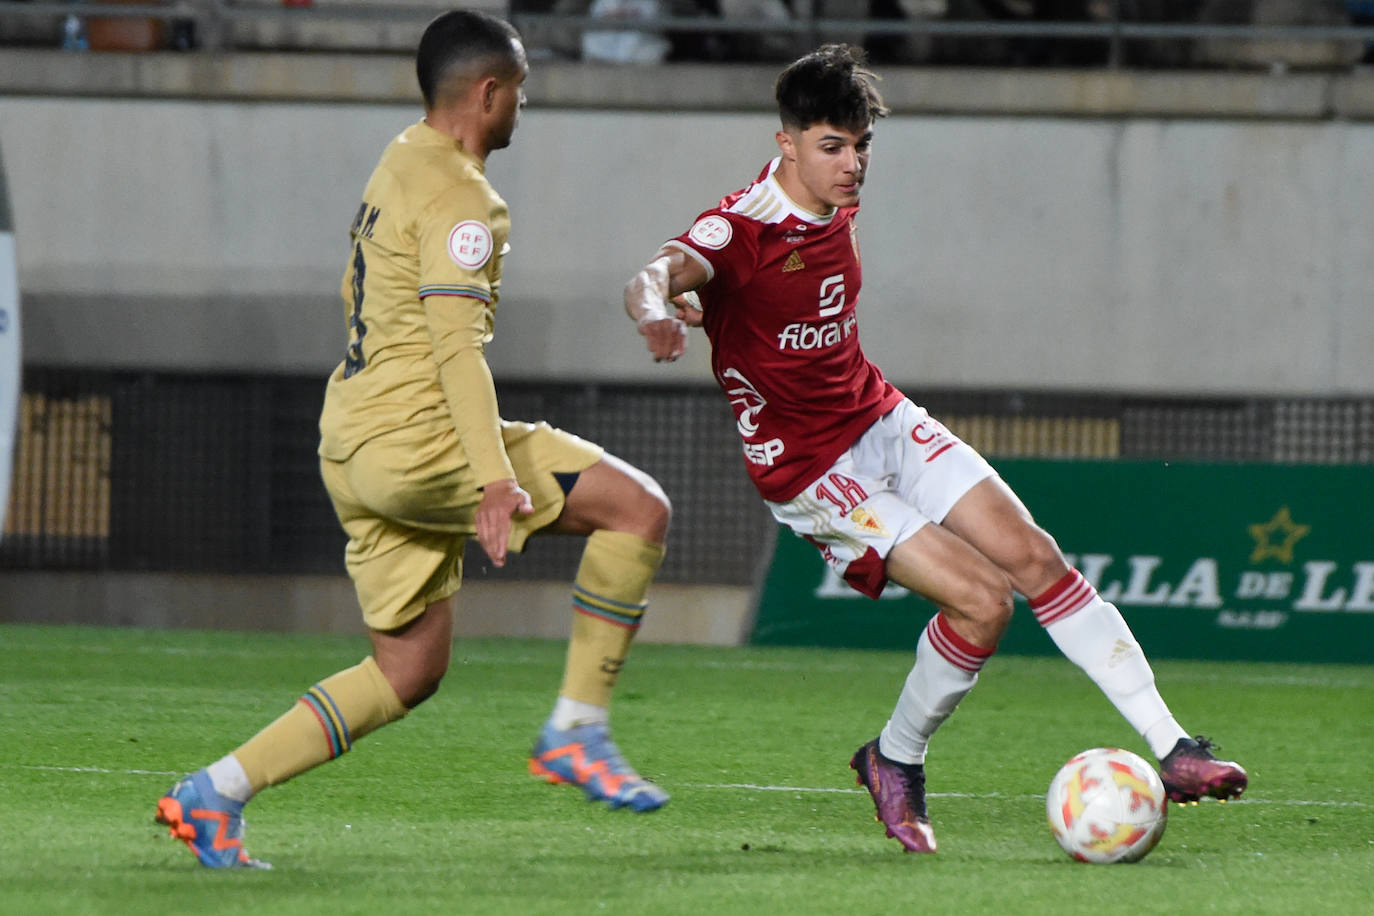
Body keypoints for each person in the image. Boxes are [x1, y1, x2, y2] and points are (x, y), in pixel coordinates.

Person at [624, 43, 1247, 854]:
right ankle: (895, 758)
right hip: (812, 471)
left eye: (861, 147)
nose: (853, 166)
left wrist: (719, 315)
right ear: (786, 142)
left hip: (878, 417)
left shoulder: (831, 203)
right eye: (832, 146)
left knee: (1037, 558)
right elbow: (656, 271)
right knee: (983, 603)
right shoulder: (739, 228)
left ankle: (1174, 751)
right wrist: (658, 310)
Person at [155, 9, 673, 870]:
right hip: (415, 442)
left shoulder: (399, 159)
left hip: (349, 445)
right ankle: (578, 731)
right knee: (638, 510)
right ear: (489, 92)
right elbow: (455, 348)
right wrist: (495, 476)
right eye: (521, 95)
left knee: (409, 669)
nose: (522, 113)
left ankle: (216, 792)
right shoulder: (463, 198)